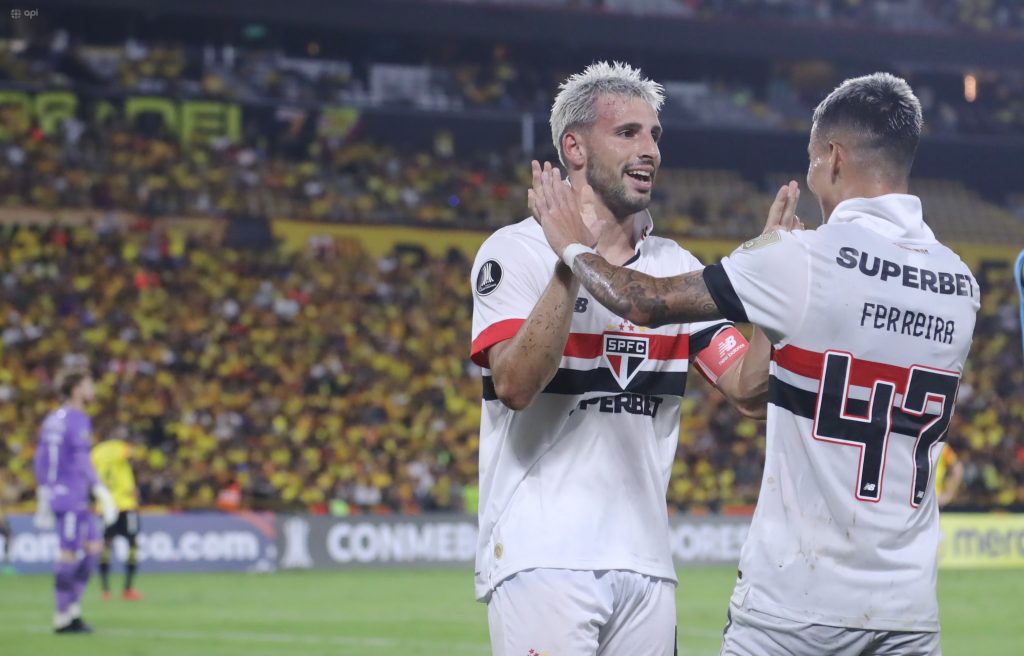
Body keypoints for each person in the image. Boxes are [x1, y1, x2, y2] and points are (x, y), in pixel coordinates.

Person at [530, 72, 980, 656]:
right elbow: (760, 381)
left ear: (834, 157)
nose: (814, 177)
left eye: (813, 160)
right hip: (909, 610)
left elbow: (641, 301)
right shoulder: (959, 285)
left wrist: (570, 243)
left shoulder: (804, 258)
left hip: (795, 603)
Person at [470, 61, 778, 656]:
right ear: (575, 148)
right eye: (629, 133)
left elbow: (748, 390)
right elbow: (514, 384)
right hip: (543, 557)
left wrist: (770, 297)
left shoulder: (671, 268)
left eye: (655, 135)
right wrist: (571, 258)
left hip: (646, 563)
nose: (650, 150)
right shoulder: (515, 252)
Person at [33, 365, 119, 633]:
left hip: (68, 494)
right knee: (68, 552)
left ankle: (72, 610)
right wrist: (100, 489)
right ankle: (63, 616)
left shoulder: (52, 419)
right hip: (70, 494)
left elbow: (41, 458)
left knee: (94, 548)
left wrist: (43, 492)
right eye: (88, 384)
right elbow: (81, 459)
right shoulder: (77, 419)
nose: (92, 389)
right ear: (76, 389)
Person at [92, 429, 143, 601]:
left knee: (105, 546)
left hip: (104, 506)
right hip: (125, 504)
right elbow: (134, 455)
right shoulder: (120, 447)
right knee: (133, 544)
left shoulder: (96, 452)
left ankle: (105, 590)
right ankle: (128, 588)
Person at [935, 443, 964, 509]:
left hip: (933, 498)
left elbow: (957, 469)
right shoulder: (941, 446)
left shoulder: (941, 447)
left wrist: (948, 495)